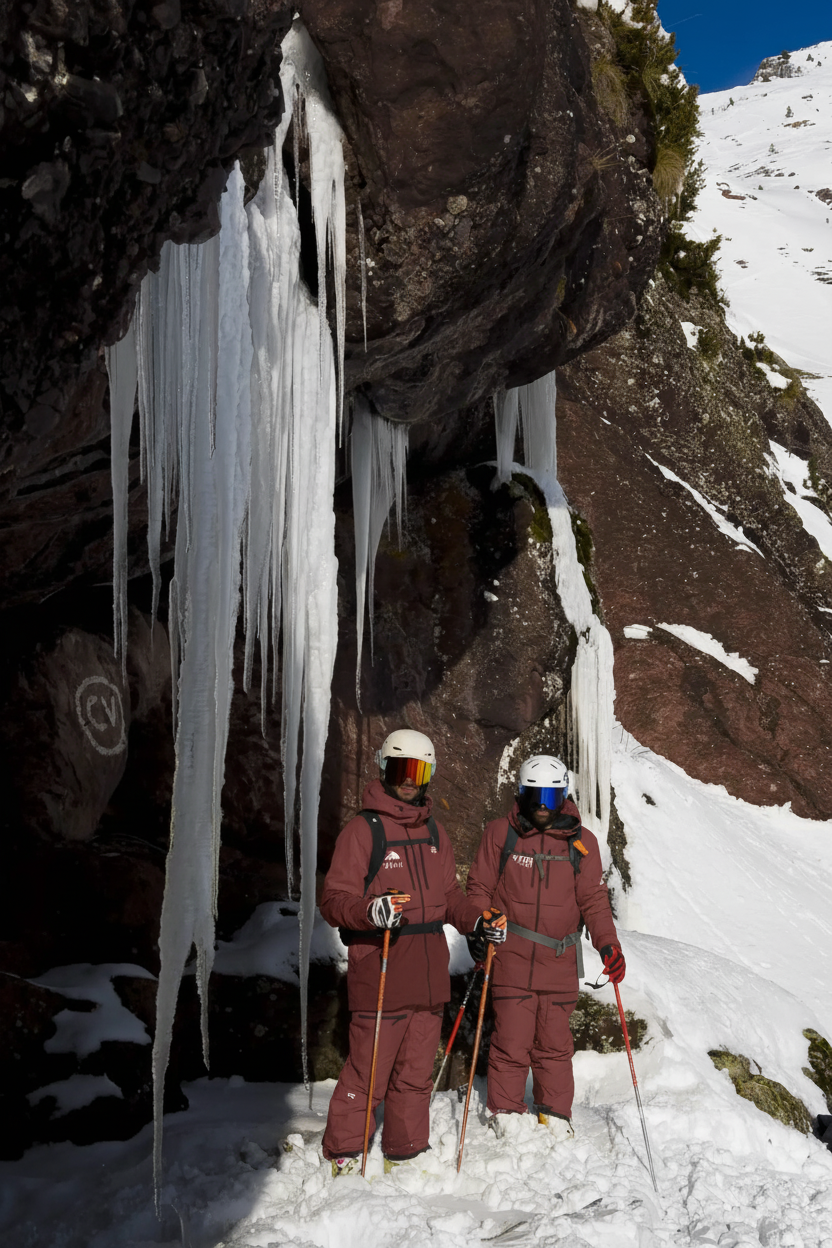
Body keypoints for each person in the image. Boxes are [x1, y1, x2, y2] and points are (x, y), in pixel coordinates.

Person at [320, 728, 485, 1175]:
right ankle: (345, 1151)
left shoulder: (435, 831)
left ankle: (406, 1148)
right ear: (384, 770)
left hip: (428, 973)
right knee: (367, 1072)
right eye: (400, 769)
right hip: (382, 970)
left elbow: (450, 893)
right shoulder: (363, 831)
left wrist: (476, 921)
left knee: (415, 1074)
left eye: (418, 771)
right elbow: (333, 899)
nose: (409, 780)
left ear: (428, 775)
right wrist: (369, 910)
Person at [466, 754, 625, 1139]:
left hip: (559, 961)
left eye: (550, 798)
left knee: (554, 1045)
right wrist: (479, 925)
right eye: (534, 796)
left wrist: (609, 945)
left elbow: (593, 901)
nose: (541, 806)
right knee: (511, 1041)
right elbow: (479, 889)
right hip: (510, 958)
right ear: (520, 794)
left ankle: (555, 1113)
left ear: (564, 797)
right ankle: (506, 1111)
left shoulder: (582, 843)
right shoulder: (499, 835)